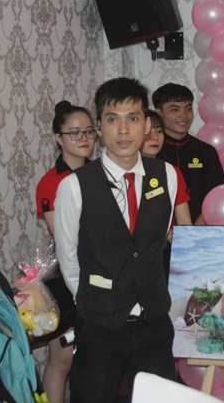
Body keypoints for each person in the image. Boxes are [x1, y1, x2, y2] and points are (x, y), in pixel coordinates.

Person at [54, 77, 180, 403]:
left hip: (154, 321)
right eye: (112, 119)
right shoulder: (74, 186)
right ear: (99, 127)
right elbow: (68, 256)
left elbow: (155, 241)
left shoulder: (166, 175)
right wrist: (95, 302)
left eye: (133, 118)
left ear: (147, 125)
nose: (123, 130)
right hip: (100, 325)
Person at [34, 100, 95, 403]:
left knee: (97, 357)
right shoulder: (51, 182)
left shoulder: (102, 174)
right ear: (59, 138)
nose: (84, 139)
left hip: (101, 272)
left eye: (89, 131)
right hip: (66, 273)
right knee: (63, 360)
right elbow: (64, 237)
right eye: (74, 133)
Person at [152, 83, 224, 225]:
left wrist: (193, 231)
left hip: (198, 231)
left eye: (188, 108)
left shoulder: (206, 152)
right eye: (175, 109)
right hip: (157, 233)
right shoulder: (150, 151)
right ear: (158, 113)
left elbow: (217, 196)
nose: (183, 115)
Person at [141, 109, 192, 282]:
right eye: (148, 132)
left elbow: (185, 224)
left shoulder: (171, 172)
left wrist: (173, 235)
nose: (154, 137)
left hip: (163, 255)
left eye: (159, 131)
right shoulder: (123, 173)